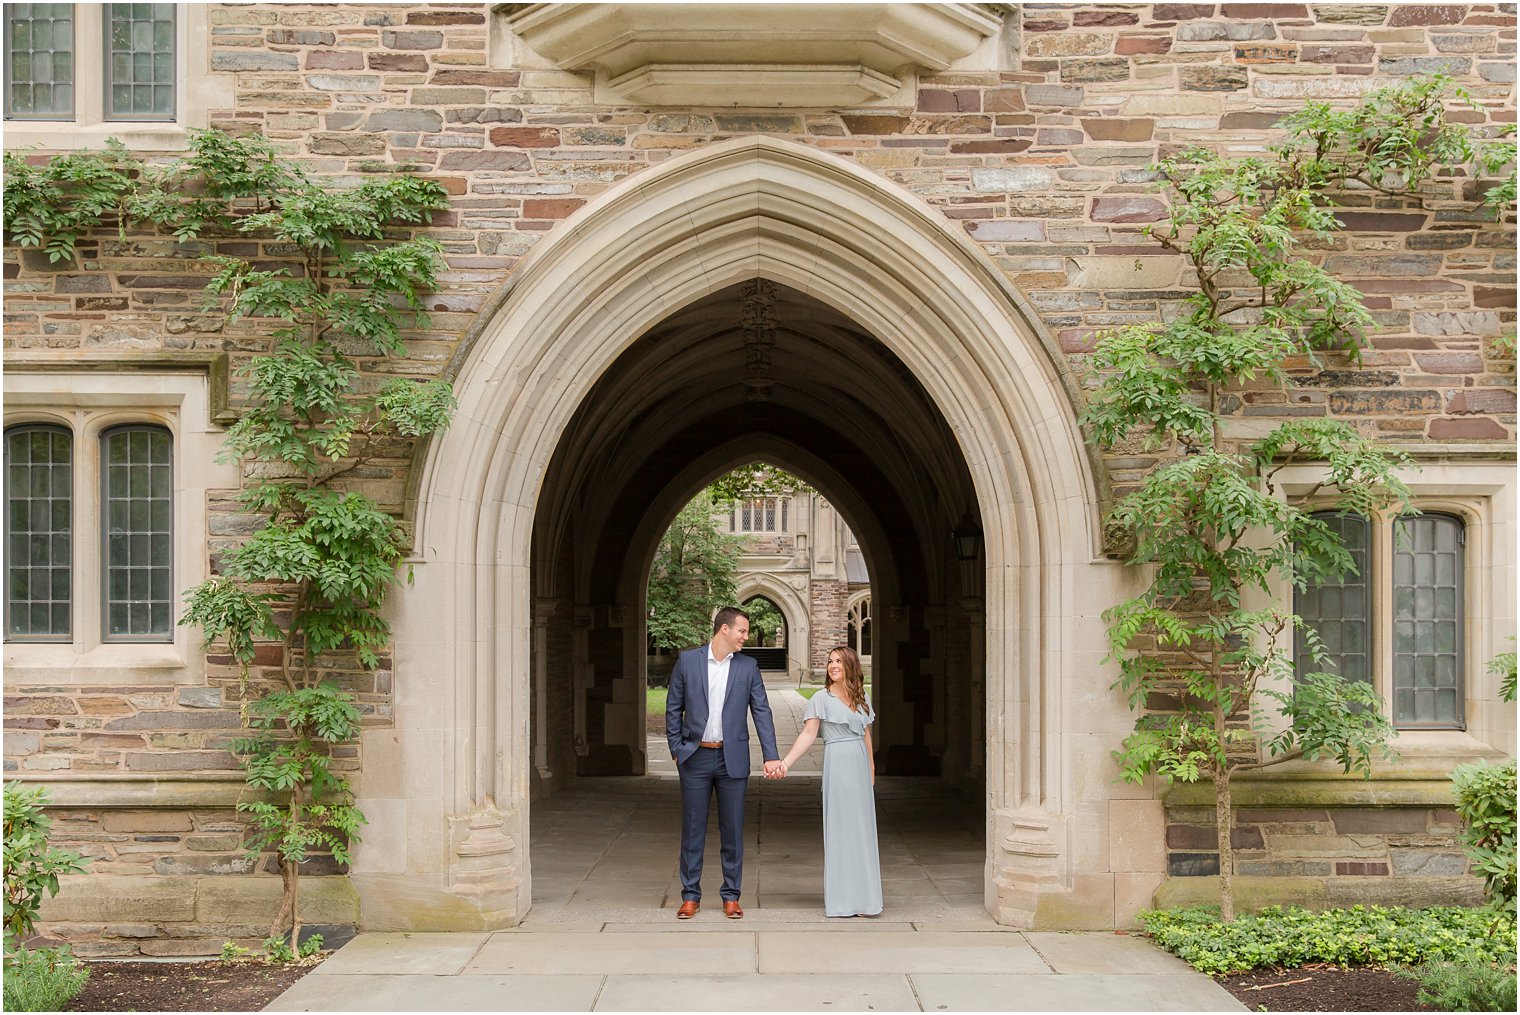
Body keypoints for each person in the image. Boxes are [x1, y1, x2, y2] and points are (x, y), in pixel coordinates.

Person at [665, 606, 783, 919]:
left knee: (732, 831)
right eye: (742, 631)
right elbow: (673, 707)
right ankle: (690, 896)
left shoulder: (748, 666)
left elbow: (762, 711)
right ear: (724, 630)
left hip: (733, 759)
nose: (746, 637)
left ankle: (731, 896)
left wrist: (771, 755)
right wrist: (677, 748)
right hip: (695, 757)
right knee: (693, 831)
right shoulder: (688, 662)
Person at [776, 645, 882, 918]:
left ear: (850, 665)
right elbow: (808, 735)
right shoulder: (820, 698)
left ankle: (866, 901)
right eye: (830, 661)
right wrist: (786, 763)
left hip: (859, 765)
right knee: (842, 831)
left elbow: (866, 734)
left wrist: (871, 768)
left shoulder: (861, 696)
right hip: (838, 763)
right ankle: (843, 901)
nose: (832, 665)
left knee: (862, 831)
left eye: (838, 661)